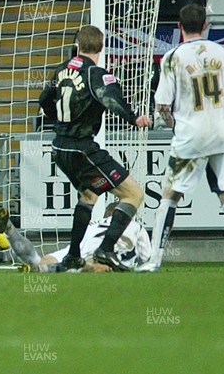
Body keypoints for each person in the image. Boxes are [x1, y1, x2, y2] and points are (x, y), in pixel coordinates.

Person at [38, 25, 152, 272]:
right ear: (101, 48)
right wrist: (134, 118)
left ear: (77, 46)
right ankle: (106, 249)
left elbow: (44, 101)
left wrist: (57, 119)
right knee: (133, 193)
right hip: (82, 148)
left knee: (89, 195)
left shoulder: (60, 71)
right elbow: (111, 100)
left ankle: (73, 255)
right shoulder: (97, 74)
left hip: (59, 148)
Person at [137, 4, 224, 272]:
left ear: (179, 26)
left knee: (170, 196)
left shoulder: (173, 57)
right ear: (206, 25)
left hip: (191, 136)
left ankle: (154, 260)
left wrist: (174, 124)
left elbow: (162, 104)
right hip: (222, 132)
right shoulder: (221, 52)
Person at [0, 205, 151, 273]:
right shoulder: (136, 226)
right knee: (102, 268)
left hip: (81, 251)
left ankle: (10, 230)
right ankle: (82, 266)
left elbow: (50, 258)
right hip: (108, 255)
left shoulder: (92, 226)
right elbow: (147, 260)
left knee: (40, 262)